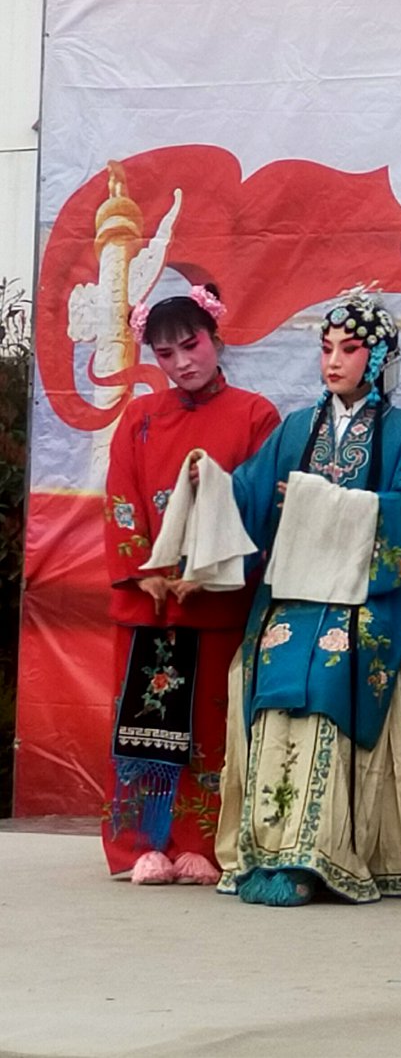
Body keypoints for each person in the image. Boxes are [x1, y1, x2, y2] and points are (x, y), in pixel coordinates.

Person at [216, 289, 401, 906]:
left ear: (379, 357)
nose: (334, 360)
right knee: (270, 665)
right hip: (293, 594)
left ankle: (319, 853)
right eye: (326, 348)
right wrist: (209, 485)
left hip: (366, 597)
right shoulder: (296, 429)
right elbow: (250, 495)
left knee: (331, 667)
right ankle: (266, 849)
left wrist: (319, 502)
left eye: (350, 349)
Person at [101, 286, 279, 885]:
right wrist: (145, 572)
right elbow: (122, 499)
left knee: (210, 724)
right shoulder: (140, 417)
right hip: (148, 601)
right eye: (166, 353)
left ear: (215, 338)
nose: (181, 362)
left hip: (217, 598)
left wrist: (205, 574)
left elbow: (261, 508)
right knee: (141, 723)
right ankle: (139, 846)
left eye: (190, 344)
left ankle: (203, 842)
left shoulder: (256, 416)